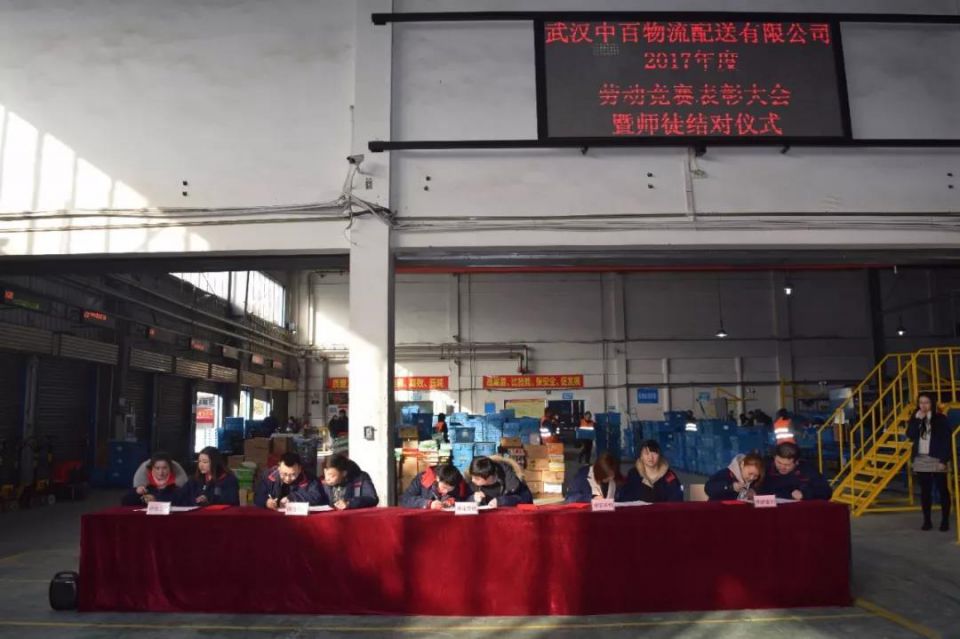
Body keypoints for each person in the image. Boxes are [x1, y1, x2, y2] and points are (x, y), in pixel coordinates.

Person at [906, 392, 952, 531]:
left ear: (932, 403)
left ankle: (945, 521)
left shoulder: (940, 419)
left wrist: (943, 460)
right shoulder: (916, 417)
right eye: (921, 402)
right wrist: (917, 420)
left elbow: (946, 440)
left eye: (926, 402)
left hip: (937, 458)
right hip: (921, 458)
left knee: (942, 489)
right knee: (925, 491)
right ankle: (927, 521)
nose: (923, 405)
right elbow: (910, 435)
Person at [758, 442, 832, 501]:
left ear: (797, 462)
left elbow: (826, 492)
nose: (782, 467)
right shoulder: (765, 467)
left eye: (787, 465)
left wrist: (804, 494)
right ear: (774, 458)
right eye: (779, 462)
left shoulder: (807, 469)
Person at [618, 440, 684, 503]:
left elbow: (677, 498)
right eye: (646, 453)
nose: (650, 457)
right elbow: (625, 497)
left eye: (654, 453)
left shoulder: (669, 475)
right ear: (641, 456)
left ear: (659, 455)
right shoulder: (633, 474)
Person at [254, 452, 324, 509]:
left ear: (300, 469)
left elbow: (316, 496)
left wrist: (292, 498)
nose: (287, 478)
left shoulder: (310, 479)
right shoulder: (268, 476)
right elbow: (258, 496)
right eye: (284, 474)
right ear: (279, 467)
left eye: (293, 474)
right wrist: (266, 502)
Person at [468, 455, 534, 507]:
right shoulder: (473, 481)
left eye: (477, 478)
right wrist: (473, 499)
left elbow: (527, 499)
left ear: (489, 477)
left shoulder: (512, 481)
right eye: (472, 477)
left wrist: (503, 501)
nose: (472, 480)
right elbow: (464, 501)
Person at [399, 463, 472, 509]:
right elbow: (404, 499)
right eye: (444, 487)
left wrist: (453, 501)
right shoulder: (423, 479)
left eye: (450, 489)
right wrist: (428, 504)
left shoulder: (459, 482)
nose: (446, 491)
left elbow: (466, 500)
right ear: (437, 478)